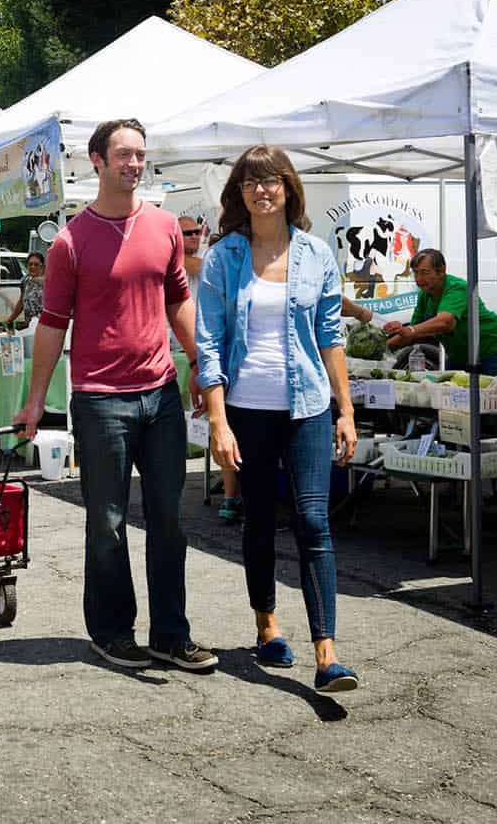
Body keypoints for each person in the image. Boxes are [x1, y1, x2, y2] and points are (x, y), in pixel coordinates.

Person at [13, 118, 216, 672]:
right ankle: (112, 631)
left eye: (140, 154)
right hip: (101, 399)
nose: (134, 163)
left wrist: (200, 361)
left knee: (170, 518)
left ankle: (170, 635)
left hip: (161, 394)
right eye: (123, 154)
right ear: (97, 161)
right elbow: (53, 323)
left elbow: (178, 300)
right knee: (106, 520)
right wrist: (35, 400)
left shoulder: (165, 226)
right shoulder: (70, 241)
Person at [194, 145, 360, 695]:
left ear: (289, 188)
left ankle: (327, 654)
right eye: (250, 183)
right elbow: (210, 342)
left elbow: (331, 336)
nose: (261, 190)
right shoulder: (225, 257)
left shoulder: (317, 254)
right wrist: (218, 421)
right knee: (260, 519)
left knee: (314, 520)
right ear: (239, 194)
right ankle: (267, 625)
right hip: (247, 409)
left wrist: (346, 408)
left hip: (307, 406)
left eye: (271, 182)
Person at [179, 213, 243, 523]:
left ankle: (234, 493)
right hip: (199, 350)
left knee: (227, 423)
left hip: (220, 351)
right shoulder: (185, 262)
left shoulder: (205, 262)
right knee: (221, 423)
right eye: (186, 233)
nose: (193, 237)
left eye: (196, 232)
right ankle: (231, 495)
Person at [383, 248, 497, 374]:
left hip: (494, 349)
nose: (418, 279)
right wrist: (382, 349)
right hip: (461, 355)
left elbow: (446, 322)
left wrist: (410, 330)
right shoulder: (425, 295)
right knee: (452, 391)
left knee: (488, 397)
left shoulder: (457, 288)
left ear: (441, 271)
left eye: (424, 272)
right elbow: (413, 334)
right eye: (415, 272)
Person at [9, 251, 45, 328]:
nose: (33, 267)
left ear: (42, 266)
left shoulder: (48, 282)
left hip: (43, 324)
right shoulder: (25, 280)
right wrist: (10, 319)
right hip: (28, 325)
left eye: (36, 265)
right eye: (30, 264)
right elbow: (21, 301)